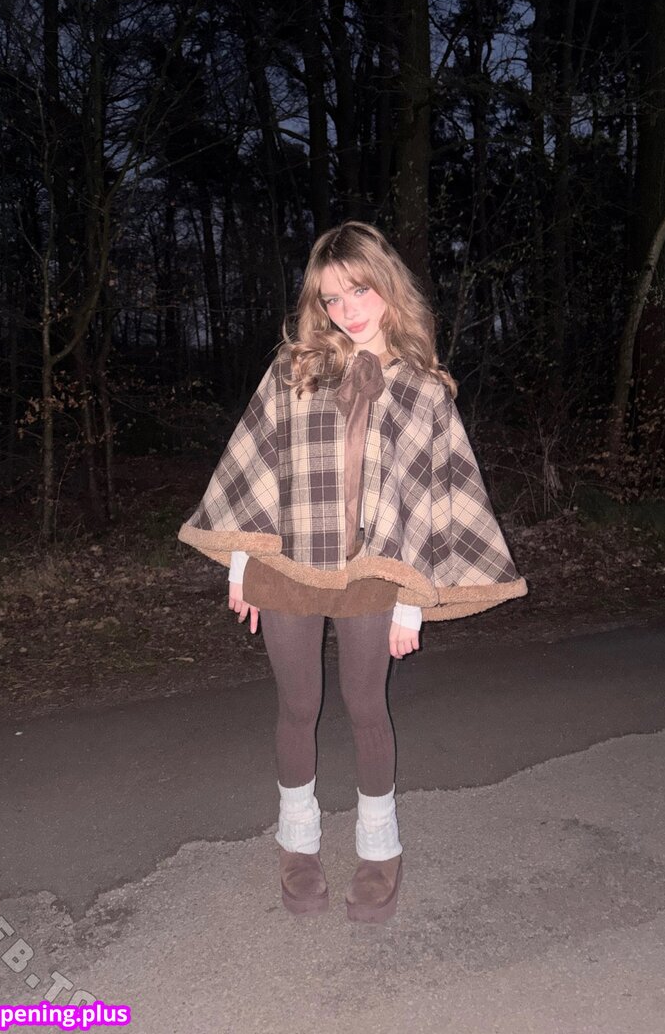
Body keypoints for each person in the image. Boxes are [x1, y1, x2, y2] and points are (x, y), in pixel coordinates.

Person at [178, 221, 527, 924]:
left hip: (375, 569)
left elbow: (430, 500)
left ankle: (379, 847)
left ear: (387, 287)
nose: (347, 309)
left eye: (359, 290)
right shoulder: (294, 369)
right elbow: (258, 464)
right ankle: (297, 842)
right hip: (287, 562)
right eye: (332, 298)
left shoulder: (424, 389)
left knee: (367, 706)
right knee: (297, 705)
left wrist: (411, 600)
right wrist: (242, 564)